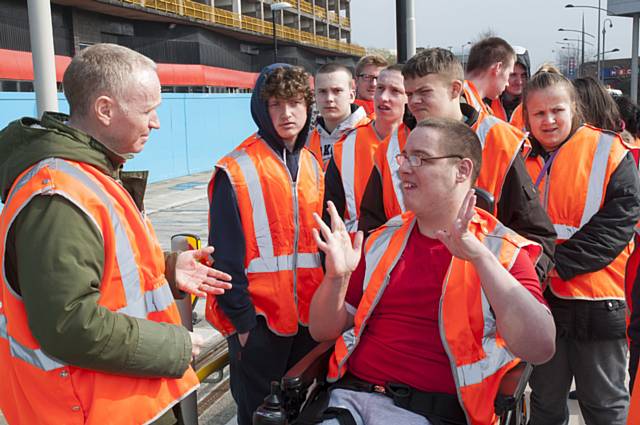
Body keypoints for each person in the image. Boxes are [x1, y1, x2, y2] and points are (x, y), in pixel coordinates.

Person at [0, 43, 232, 425]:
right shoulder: (57, 195)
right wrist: (175, 346)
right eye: (148, 110)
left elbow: (107, 268)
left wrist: (168, 267)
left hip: (118, 402)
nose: (156, 122)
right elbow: (69, 324)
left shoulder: (89, 175)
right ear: (105, 110)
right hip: (86, 411)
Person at [309, 117, 556, 425]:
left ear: (462, 170)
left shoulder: (499, 249)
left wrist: (479, 258)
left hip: (431, 412)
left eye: (420, 158)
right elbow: (321, 331)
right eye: (404, 157)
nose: (403, 168)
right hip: (348, 400)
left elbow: (541, 347)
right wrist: (336, 277)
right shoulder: (381, 240)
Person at [359, 47, 556, 281]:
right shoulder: (390, 148)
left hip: (476, 298)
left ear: (455, 89)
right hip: (407, 291)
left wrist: (506, 294)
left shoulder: (499, 142)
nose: (414, 102)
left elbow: (535, 234)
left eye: (424, 92)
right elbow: (372, 229)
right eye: (410, 94)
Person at [206, 64, 324, 425]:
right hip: (258, 325)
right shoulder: (236, 169)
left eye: (294, 103)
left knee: (305, 412)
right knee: (258, 416)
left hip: (307, 322)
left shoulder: (313, 165)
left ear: (307, 107)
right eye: (275, 105)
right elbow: (223, 257)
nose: (286, 114)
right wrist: (244, 325)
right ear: (261, 109)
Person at [523, 68, 640, 425]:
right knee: (544, 405)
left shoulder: (608, 149)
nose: (549, 120)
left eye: (557, 110)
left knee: (604, 408)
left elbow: (620, 220)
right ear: (526, 116)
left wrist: (555, 264)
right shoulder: (520, 156)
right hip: (541, 306)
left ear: (573, 107)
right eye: (538, 113)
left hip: (597, 302)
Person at [323, 64, 406, 234]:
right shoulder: (345, 147)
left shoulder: (420, 143)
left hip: (408, 252)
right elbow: (331, 213)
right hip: (359, 254)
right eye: (380, 89)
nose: (383, 97)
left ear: (409, 96)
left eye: (395, 91)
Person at [307, 63, 371, 165]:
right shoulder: (307, 141)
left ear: (351, 96)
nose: (329, 99)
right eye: (322, 91)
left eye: (337, 91)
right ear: (315, 96)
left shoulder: (373, 134)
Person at [463, 37, 515, 117]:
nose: (507, 83)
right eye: (509, 74)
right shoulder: (460, 104)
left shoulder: (463, 99)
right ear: (498, 68)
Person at [489, 46, 530, 131]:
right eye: (513, 75)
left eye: (523, 76)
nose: (519, 82)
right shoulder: (486, 104)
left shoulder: (533, 106)